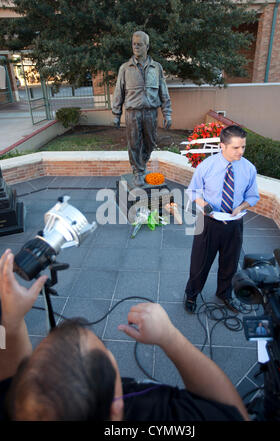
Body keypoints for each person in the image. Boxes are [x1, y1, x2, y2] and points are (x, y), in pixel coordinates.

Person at [0, 249, 249, 421]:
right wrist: (172, 339)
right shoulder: (155, 414)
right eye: (107, 353)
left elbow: (8, 380)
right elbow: (233, 412)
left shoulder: (24, 408)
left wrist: (9, 325)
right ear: (116, 408)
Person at [184, 125, 260, 314]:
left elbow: (252, 196)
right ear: (222, 146)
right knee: (199, 263)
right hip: (208, 222)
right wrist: (205, 206)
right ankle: (192, 295)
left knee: (230, 264)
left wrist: (241, 207)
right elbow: (193, 191)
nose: (240, 151)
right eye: (235, 147)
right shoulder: (206, 166)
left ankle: (224, 294)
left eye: (243, 147)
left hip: (234, 224)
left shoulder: (249, 169)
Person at [112, 30, 172, 187]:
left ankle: (141, 165)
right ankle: (138, 171)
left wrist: (167, 114)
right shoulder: (125, 68)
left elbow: (163, 91)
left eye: (139, 44)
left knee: (150, 142)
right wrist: (116, 114)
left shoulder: (156, 67)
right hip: (132, 113)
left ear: (147, 46)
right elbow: (118, 91)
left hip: (151, 112)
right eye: (134, 44)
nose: (136, 47)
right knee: (134, 143)